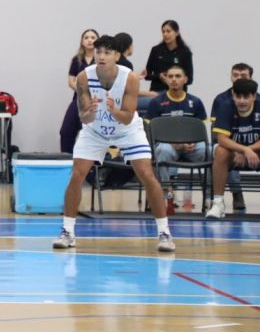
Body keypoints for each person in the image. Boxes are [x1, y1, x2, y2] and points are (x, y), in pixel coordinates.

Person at [53, 35, 175, 252]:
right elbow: (84, 118)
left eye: (107, 52)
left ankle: (164, 233)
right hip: (95, 131)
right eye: (98, 52)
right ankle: (67, 232)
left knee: (147, 175)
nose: (101, 56)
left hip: (127, 130)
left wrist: (113, 110)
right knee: (77, 174)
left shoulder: (130, 78)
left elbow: (127, 117)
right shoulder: (84, 77)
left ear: (117, 56)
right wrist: (90, 112)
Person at [145, 65, 208, 188]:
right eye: (170, 76)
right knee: (162, 150)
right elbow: (150, 132)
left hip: (191, 147)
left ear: (185, 79)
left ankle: (210, 193)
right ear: (166, 79)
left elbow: (201, 129)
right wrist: (173, 143)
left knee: (211, 151)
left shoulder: (196, 102)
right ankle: (165, 190)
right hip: (168, 146)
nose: (174, 79)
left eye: (178, 76)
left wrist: (193, 142)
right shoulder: (156, 102)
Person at [205, 78, 260, 219]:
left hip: (255, 153)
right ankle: (218, 204)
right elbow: (222, 139)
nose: (242, 101)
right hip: (233, 154)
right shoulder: (225, 106)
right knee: (220, 151)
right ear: (233, 95)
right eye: (238, 96)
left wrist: (248, 150)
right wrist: (243, 150)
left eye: (246, 97)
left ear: (254, 96)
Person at [209, 63, 252, 211]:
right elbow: (217, 134)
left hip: (253, 147)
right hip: (229, 146)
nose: (239, 78)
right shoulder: (221, 100)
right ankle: (227, 196)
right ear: (230, 77)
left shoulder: (257, 101)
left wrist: (246, 149)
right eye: (235, 75)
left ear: (250, 78)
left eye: (243, 75)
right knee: (221, 152)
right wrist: (239, 149)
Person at [58, 29, 98, 154]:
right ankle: (67, 159)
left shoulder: (101, 59)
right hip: (78, 100)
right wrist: (83, 91)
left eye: (93, 37)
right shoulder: (77, 59)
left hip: (95, 102)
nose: (90, 40)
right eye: (86, 37)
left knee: (91, 134)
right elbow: (71, 81)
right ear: (82, 41)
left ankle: (92, 162)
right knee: (65, 131)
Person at [144, 20, 194, 94]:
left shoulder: (185, 52)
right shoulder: (156, 50)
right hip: (158, 91)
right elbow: (147, 75)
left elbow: (190, 79)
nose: (165, 34)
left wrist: (175, 79)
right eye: (163, 32)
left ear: (177, 33)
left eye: (168, 31)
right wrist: (159, 76)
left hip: (177, 93)